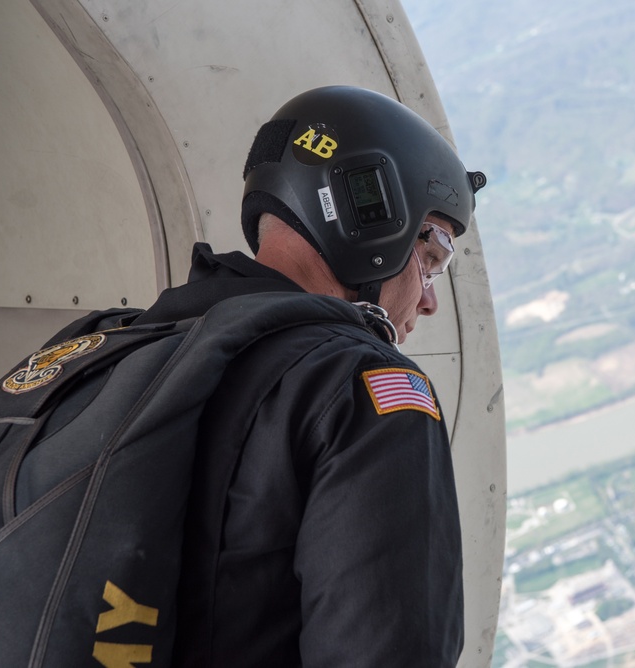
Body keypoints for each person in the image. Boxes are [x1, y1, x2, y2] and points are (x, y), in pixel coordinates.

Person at [136, 86, 485, 666]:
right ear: (374, 218)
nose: (428, 302)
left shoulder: (112, 348)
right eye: (432, 257)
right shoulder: (364, 386)